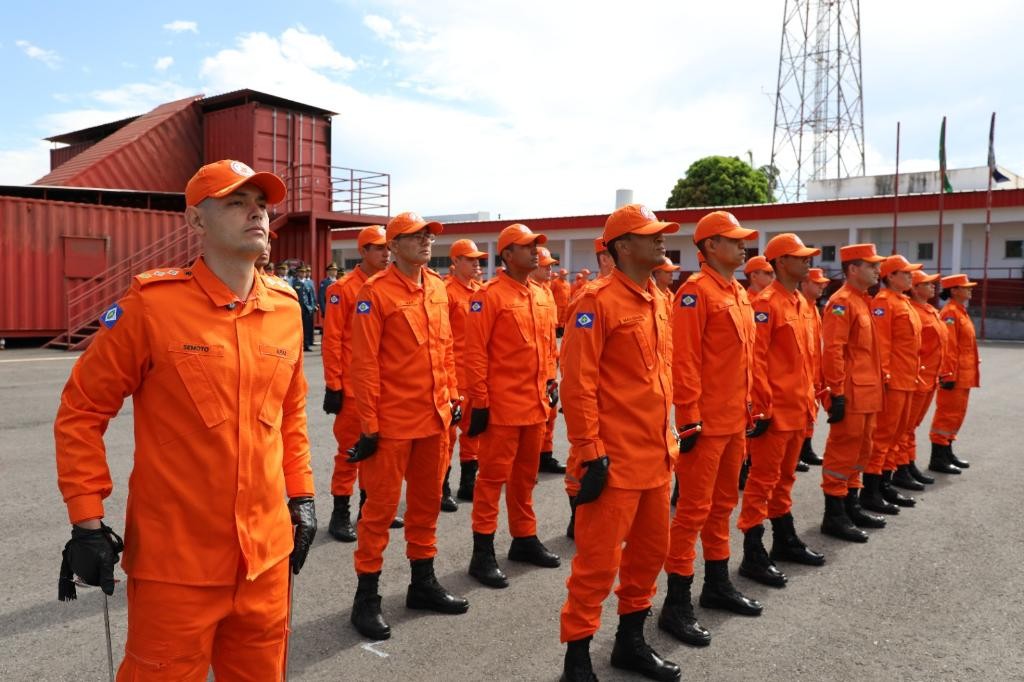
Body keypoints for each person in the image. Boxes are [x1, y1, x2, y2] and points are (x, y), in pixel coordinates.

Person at [54, 159, 316, 679]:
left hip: (265, 561)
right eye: (236, 203)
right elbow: (81, 411)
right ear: (196, 221)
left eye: (261, 204)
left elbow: (290, 414)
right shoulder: (152, 306)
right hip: (176, 566)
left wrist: (302, 495)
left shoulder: (285, 308)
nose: (256, 214)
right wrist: (86, 519)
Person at [559, 203, 681, 682]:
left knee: (649, 557)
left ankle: (630, 642)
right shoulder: (596, 302)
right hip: (613, 460)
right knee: (596, 566)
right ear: (623, 246)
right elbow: (578, 384)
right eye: (651, 234)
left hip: (656, 455)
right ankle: (577, 658)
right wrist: (590, 452)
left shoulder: (659, 300)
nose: (661, 240)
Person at [348, 211, 469, 641]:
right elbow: (363, 364)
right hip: (393, 424)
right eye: (415, 236)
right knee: (379, 512)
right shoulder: (374, 293)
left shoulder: (436, 287)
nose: (425, 242)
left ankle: (422, 582)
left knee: (426, 505)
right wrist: (368, 424)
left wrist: (454, 397)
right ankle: (366, 597)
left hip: (434, 420)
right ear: (393, 246)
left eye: (428, 236)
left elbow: (446, 349)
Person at [660, 210, 762, 649]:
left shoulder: (738, 292)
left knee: (723, 506)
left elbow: (745, 360)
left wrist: (750, 408)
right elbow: (684, 360)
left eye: (743, 240)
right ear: (710, 247)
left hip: (734, 420)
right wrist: (688, 420)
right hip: (705, 425)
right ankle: (676, 602)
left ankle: (717, 584)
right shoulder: (695, 293)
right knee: (691, 513)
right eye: (734, 240)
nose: (743, 246)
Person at [465, 224, 560, 589]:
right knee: (491, 481)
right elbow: (475, 353)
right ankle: (482, 551)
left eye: (536, 245)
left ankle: (524, 537)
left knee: (525, 479)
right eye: (526, 246)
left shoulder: (540, 294)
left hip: (535, 406)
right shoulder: (489, 296)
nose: (535, 251)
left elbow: (547, 347)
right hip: (502, 409)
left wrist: (550, 383)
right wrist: (480, 402)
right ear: (506, 255)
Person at [738, 233, 826, 589]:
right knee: (761, 482)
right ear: (780, 262)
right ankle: (752, 552)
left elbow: (808, 359)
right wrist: (760, 408)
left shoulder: (801, 302)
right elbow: (755, 361)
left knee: (785, 479)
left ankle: (784, 539)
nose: (807, 262)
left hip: (799, 408)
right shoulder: (766, 304)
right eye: (800, 257)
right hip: (774, 412)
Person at [321, 226, 394, 542]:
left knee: (377, 452)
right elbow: (332, 338)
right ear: (363, 251)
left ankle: (369, 508)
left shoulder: (388, 286)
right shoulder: (343, 288)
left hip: (383, 386)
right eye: (379, 248)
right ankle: (340, 513)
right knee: (349, 451)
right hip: (352, 388)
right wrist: (333, 385)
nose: (386, 253)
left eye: (388, 248)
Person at [818, 243, 887, 543]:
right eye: (871, 265)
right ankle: (834, 515)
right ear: (853, 269)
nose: (878, 270)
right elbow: (833, 350)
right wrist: (836, 392)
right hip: (851, 392)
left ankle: (851, 505)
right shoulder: (842, 302)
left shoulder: (863, 300)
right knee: (843, 451)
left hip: (868, 392)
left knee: (862, 451)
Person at [861, 255, 923, 514]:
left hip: (907, 379)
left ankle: (885, 484)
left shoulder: (903, 302)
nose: (911, 277)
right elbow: (882, 343)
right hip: (893, 381)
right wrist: (884, 376)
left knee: (897, 435)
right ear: (891, 276)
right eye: (905, 273)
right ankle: (871, 491)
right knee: (882, 437)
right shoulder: (884, 302)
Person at [445, 238, 489, 506]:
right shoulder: (446, 293)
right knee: (448, 435)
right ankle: (441, 487)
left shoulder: (481, 292)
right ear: (456, 261)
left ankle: (467, 483)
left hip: (476, 374)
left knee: (474, 430)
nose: (476, 264)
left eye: (477, 260)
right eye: (470, 259)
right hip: (454, 375)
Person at [891, 270, 945, 486]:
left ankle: (908, 463)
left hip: (930, 377)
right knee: (905, 427)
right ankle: (901, 468)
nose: (933, 287)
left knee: (912, 426)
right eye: (927, 283)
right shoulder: (912, 310)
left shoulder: (930, 310)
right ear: (915, 289)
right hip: (916, 376)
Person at [929, 274, 979, 473]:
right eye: (966, 287)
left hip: (964, 374)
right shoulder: (950, 313)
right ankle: (938, 458)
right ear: (954, 290)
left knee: (956, 415)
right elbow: (948, 346)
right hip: (954, 375)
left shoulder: (960, 311)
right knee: (947, 415)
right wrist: (947, 374)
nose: (970, 290)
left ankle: (947, 452)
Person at [530, 246, 567, 475]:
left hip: (549, 366)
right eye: (546, 266)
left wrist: (556, 363)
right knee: (534, 420)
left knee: (550, 415)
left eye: (551, 266)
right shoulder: (529, 292)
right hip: (533, 369)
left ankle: (545, 456)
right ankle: (527, 462)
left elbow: (550, 334)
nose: (549, 270)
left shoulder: (547, 292)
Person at [798, 268, 831, 467]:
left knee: (811, 412)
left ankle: (806, 448)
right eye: (817, 283)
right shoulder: (799, 306)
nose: (822, 286)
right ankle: (797, 452)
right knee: (800, 415)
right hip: (802, 373)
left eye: (822, 283)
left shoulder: (813, 308)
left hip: (814, 370)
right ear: (804, 284)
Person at [296, 265, 318, 351]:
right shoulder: (294, 282)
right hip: (298, 308)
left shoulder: (308, 283)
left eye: (304, 272)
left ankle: (306, 344)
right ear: (298, 273)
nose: (303, 274)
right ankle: (298, 345)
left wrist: (313, 306)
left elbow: (311, 296)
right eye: (301, 272)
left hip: (307, 308)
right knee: (298, 328)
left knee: (307, 327)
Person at [551, 267, 572, 338]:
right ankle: (555, 331)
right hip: (557, 304)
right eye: (563, 274)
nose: (565, 276)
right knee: (557, 318)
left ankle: (561, 331)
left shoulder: (567, 283)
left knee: (563, 319)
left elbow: (569, 294)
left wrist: (569, 303)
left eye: (565, 274)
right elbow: (551, 292)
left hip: (565, 305)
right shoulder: (555, 282)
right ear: (560, 274)